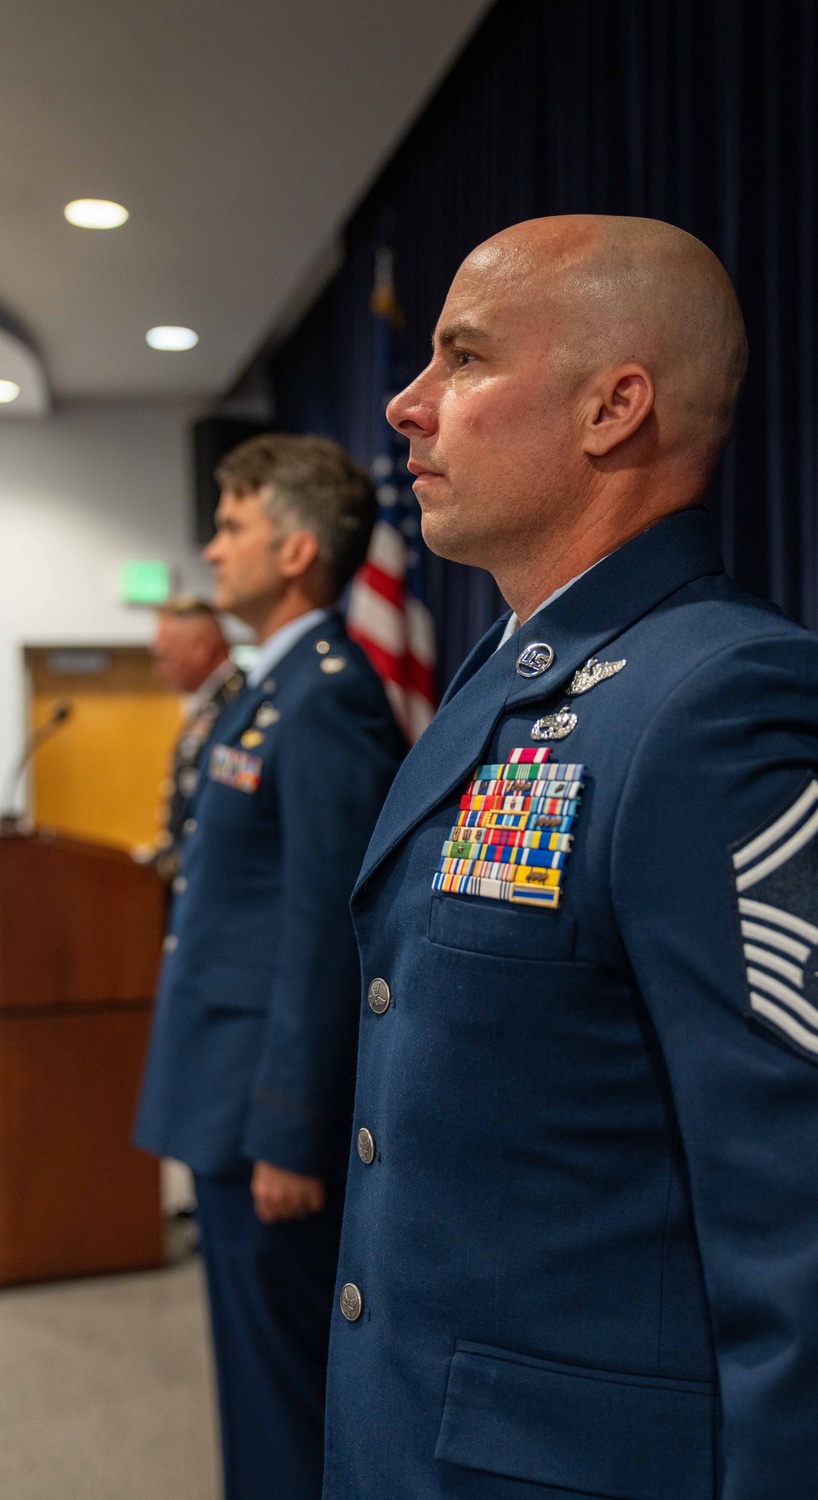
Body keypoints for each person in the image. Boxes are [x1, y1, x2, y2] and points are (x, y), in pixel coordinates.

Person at [324, 217, 818, 1499]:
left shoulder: (740, 712)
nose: (408, 406)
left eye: (462, 359)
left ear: (612, 407)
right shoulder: (514, 679)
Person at [134, 434, 407, 1500]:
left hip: (267, 1120)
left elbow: (322, 926)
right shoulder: (269, 690)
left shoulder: (326, 695)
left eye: (232, 525)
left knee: (286, 1398)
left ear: (295, 550)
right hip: (231, 1096)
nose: (212, 548)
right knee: (256, 1393)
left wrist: (293, 1128)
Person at [149, 596, 243, 884]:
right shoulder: (211, 706)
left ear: (201, 648)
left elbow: (229, 811)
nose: (159, 669)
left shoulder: (238, 704)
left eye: (165, 656)